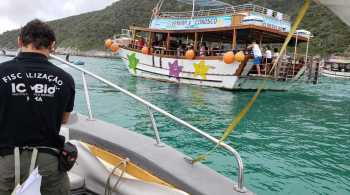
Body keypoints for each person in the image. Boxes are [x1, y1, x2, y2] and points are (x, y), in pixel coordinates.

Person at [0, 19, 75, 195]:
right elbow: (64, 119)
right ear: (53, 45)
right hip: (48, 164)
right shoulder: (65, 79)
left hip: (5, 162)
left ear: (19, 41)